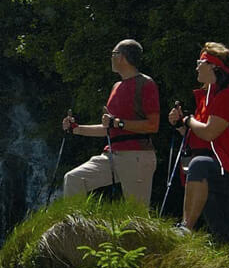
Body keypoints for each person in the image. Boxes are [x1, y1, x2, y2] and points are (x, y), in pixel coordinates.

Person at [166, 42, 229, 243]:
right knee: (222, 230)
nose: (196, 66)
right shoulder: (207, 98)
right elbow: (197, 138)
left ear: (213, 66)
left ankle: (185, 227)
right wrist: (181, 125)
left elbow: (209, 133)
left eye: (200, 62)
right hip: (212, 168)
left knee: (198, 165)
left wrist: (189, 120)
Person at [62, 39, 160, 205]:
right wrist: (76, 129)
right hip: (111, 155)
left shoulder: (146, 83)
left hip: (137, 155)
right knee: (73, 179)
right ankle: (76, 228)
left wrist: (118, 123)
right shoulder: (116, 86)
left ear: (121, 57)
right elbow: (109, 127)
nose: (111, 58)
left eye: (113, 54)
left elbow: (153, 125)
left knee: (136, 216)